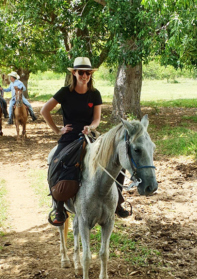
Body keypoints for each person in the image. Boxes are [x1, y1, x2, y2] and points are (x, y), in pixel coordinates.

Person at [40, 57, 130, 226]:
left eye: (88, 73)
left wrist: (91, 127)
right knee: (57, 161)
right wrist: (57, 129)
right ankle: (59, 206)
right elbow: (44, 110)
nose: (85, 76)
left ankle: (118, 202)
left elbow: (97, 119)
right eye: (81, 72)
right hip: (70, 137)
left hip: (91, 135)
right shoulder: (65, 92)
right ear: (74, 73)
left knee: (116, 159)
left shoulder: (94, 94)